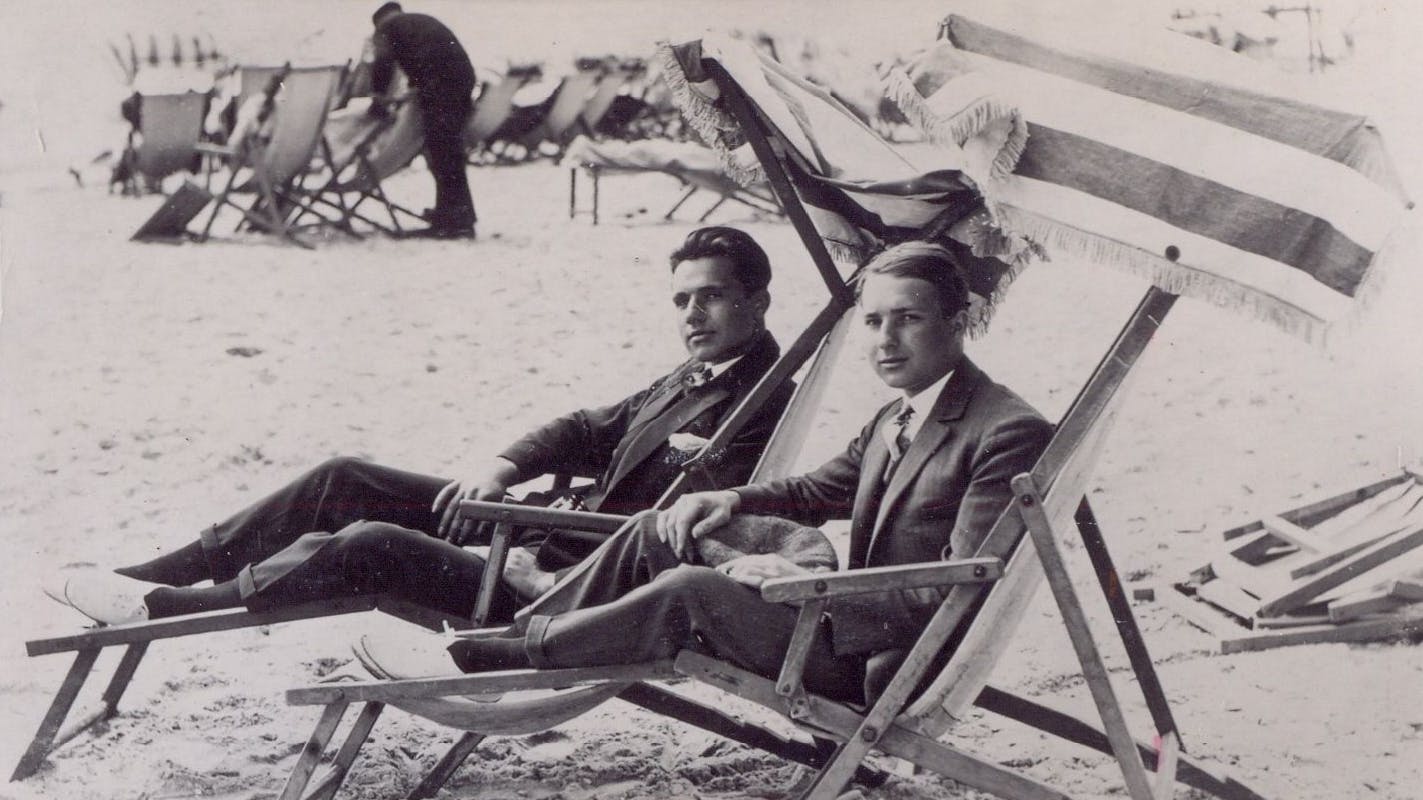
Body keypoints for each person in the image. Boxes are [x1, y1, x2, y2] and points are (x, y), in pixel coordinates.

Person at [373, 241, 1053, 705]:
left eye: (908, 319)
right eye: (874, 321)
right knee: (654, 527)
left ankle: (512, 654)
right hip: (843, 617)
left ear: (960, 322)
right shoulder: (899, 416)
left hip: (881, 652)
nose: (884, 340)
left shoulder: (1002, 430)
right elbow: (815, 491)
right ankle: (518, 639)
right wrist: (725, 496)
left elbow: (957, 587)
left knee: (689, 589)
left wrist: (813, 584)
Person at [48, 227, 794, 628]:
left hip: (559, 578)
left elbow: (682, 528)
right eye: (679, 301)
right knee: (344, 477)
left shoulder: (758, 405)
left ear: (758, 302)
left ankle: (161, 609)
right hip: (533, 524)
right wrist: (503, 466)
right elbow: (585, 426)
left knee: (366, 544)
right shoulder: (699, 373)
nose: (691, 316)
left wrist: (538, 537)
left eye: (711, 298)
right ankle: (163, 573)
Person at [368, 2, 477, 239]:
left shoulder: (387, 27)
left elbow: (383, 63)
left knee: (442, 153)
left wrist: (377, 98)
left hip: (441, 87)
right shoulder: (417, 21)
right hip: (461, 81)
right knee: (447, 152)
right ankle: (453, 215)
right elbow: (424, 57)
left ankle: (456, 222)